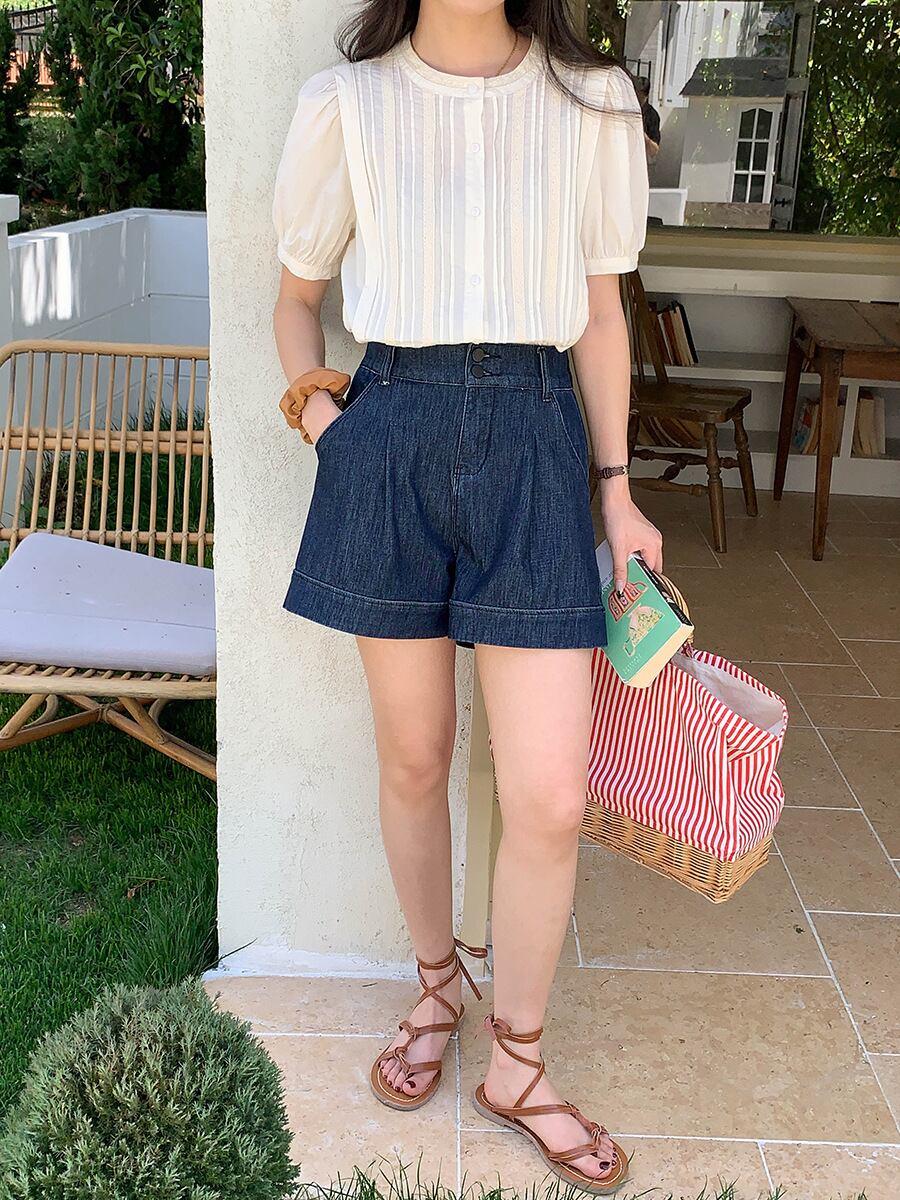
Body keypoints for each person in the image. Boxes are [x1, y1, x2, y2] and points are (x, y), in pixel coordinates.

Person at [271, 2, 662, 1192]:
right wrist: (330, 425)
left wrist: (618, 494)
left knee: (548, 794)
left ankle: (519, 1065)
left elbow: (602, 311)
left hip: (540, 440)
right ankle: (437, 986)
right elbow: (294, 295)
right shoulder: (349, 104)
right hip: (390, 433)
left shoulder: (591, 101)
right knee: (416, 759)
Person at [634, 75, 661, 164]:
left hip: (640, 162)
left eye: (640, 97)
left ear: (646, 96)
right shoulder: (625, 109)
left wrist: (643, 135)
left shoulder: (652, 115)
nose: (636, 100)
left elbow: (654, 151)